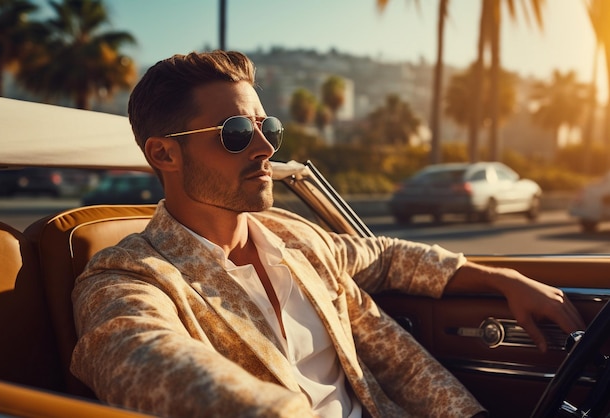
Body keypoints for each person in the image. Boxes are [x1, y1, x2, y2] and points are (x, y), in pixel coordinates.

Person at [70, 50, 584, 418]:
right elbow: (139, 359)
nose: (265, 149)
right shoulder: (130, 274)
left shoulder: (294, 236)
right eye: (236, 134)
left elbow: (384, 256)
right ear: (164, 154)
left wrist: (502, 280)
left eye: (267, 128)